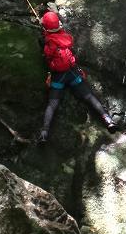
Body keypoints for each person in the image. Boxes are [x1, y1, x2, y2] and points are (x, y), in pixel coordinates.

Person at [37, 11, 115, 143]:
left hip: (58, 76)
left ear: (46, 28)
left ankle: (44, 133)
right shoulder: (66, 37)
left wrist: (45, 38)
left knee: (52, 104)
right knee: (89, 96)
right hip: (72, 73)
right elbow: (61, 39)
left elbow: (48, 55)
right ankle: (108, 119)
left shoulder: (48, 42)